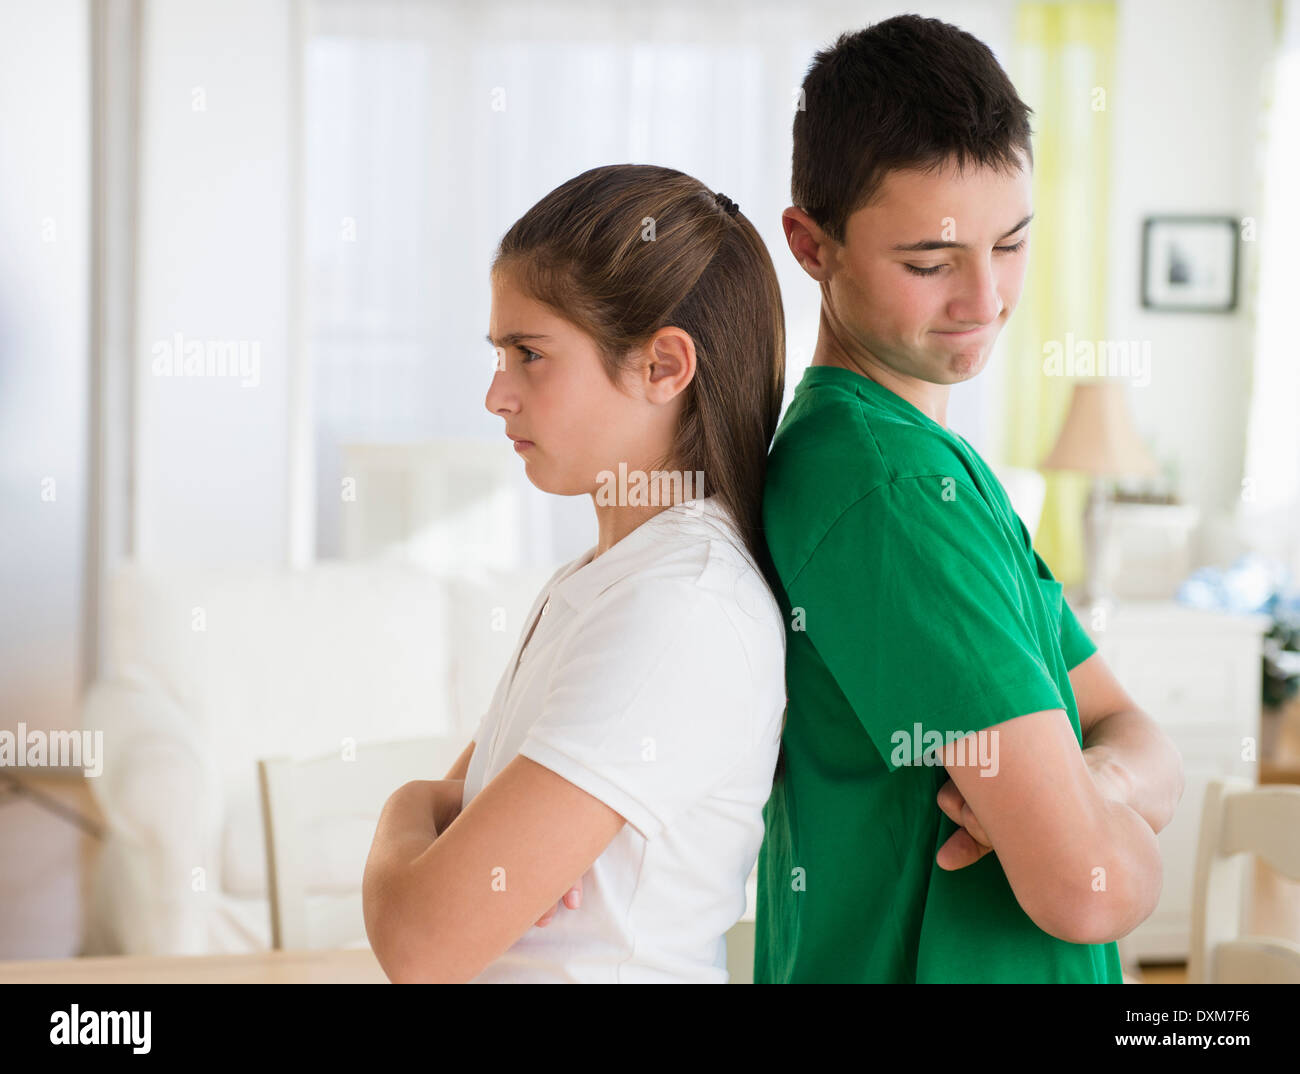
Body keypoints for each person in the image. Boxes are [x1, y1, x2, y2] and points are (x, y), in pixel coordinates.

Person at [754, 14, 1184, 983]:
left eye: (1012, 245)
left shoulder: (941, 472)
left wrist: (1090, 783)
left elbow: (1132, 731)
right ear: (810, 245)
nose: (984, 300)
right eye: (929, 263)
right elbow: (1086, 886)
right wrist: (1095, 823)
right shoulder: (891, 491)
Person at [363, 163, 788, 983]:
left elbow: (423, 940)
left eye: (529, 354)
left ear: (664, 366)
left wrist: (403, 804)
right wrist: (450, 833)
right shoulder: (605, 582)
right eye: (499, 353)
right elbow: (466, 831)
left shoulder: (680, 610)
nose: (497, 395)